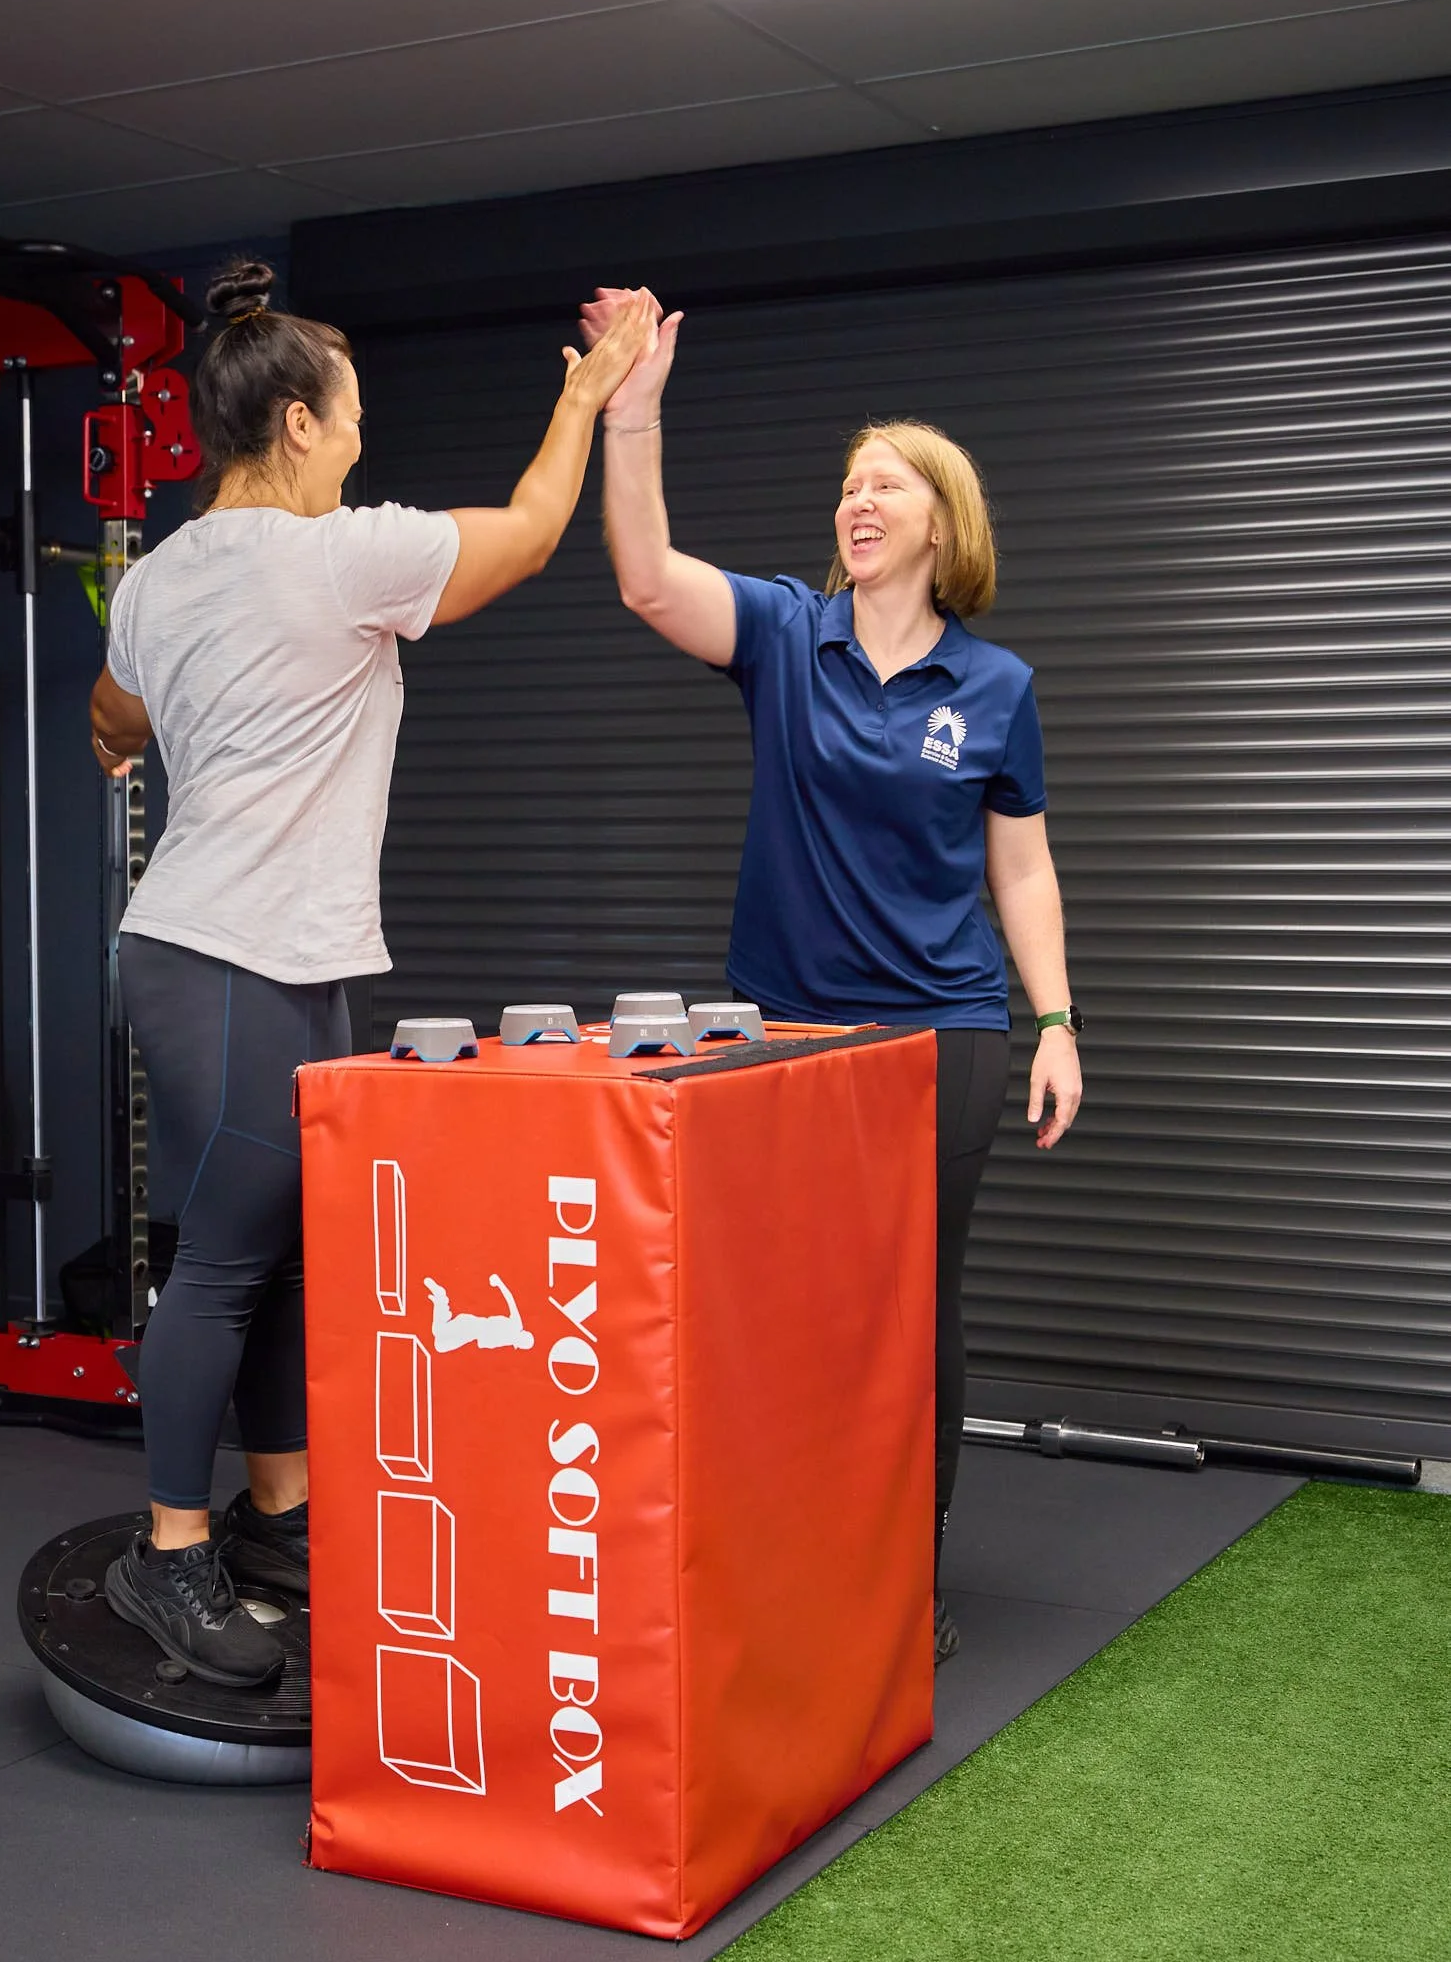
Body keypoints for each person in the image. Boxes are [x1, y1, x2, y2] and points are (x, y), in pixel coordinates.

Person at [89, 260, 654, 1683]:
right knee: (218, 1266)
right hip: (230, 955)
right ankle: (169, 1558)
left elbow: (116, 706)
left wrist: (118, 742)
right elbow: (528, 535)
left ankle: (277, 1519)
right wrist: (587, 389)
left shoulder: (155, 577)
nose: (357, 444)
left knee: (277, 1252)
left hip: (247, 948)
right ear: (293, 425)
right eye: (347, 422)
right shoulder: (334, 555)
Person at [584, 290, 1082, 1664]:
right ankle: (783, 1553)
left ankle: (899, 1579)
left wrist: (1054, 1021)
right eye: (848, 485)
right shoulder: (779, 638)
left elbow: (1020, 871)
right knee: (775, 1306)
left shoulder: (994, 687)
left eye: (887, 485)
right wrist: (635, 413)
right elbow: (641, 575)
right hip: (779, 1034)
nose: (858, 500)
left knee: (906, 1311)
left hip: (940, 1035)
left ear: (941, 523)